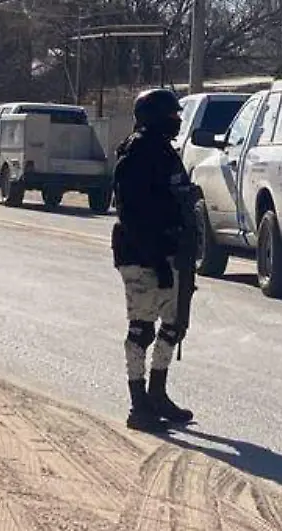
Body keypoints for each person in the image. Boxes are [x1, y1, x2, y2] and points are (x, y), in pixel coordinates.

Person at [110, 87, 195, 433]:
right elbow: (132, 214)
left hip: (173, 252)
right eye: (171, 115)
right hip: (140, 256)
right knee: (141, 328)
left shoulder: (164, 151)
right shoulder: (137, 154)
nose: (177, 121)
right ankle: (138, 404)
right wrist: (155, 259)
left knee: (175, 325)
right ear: (155, 117)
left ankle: (158, 394)